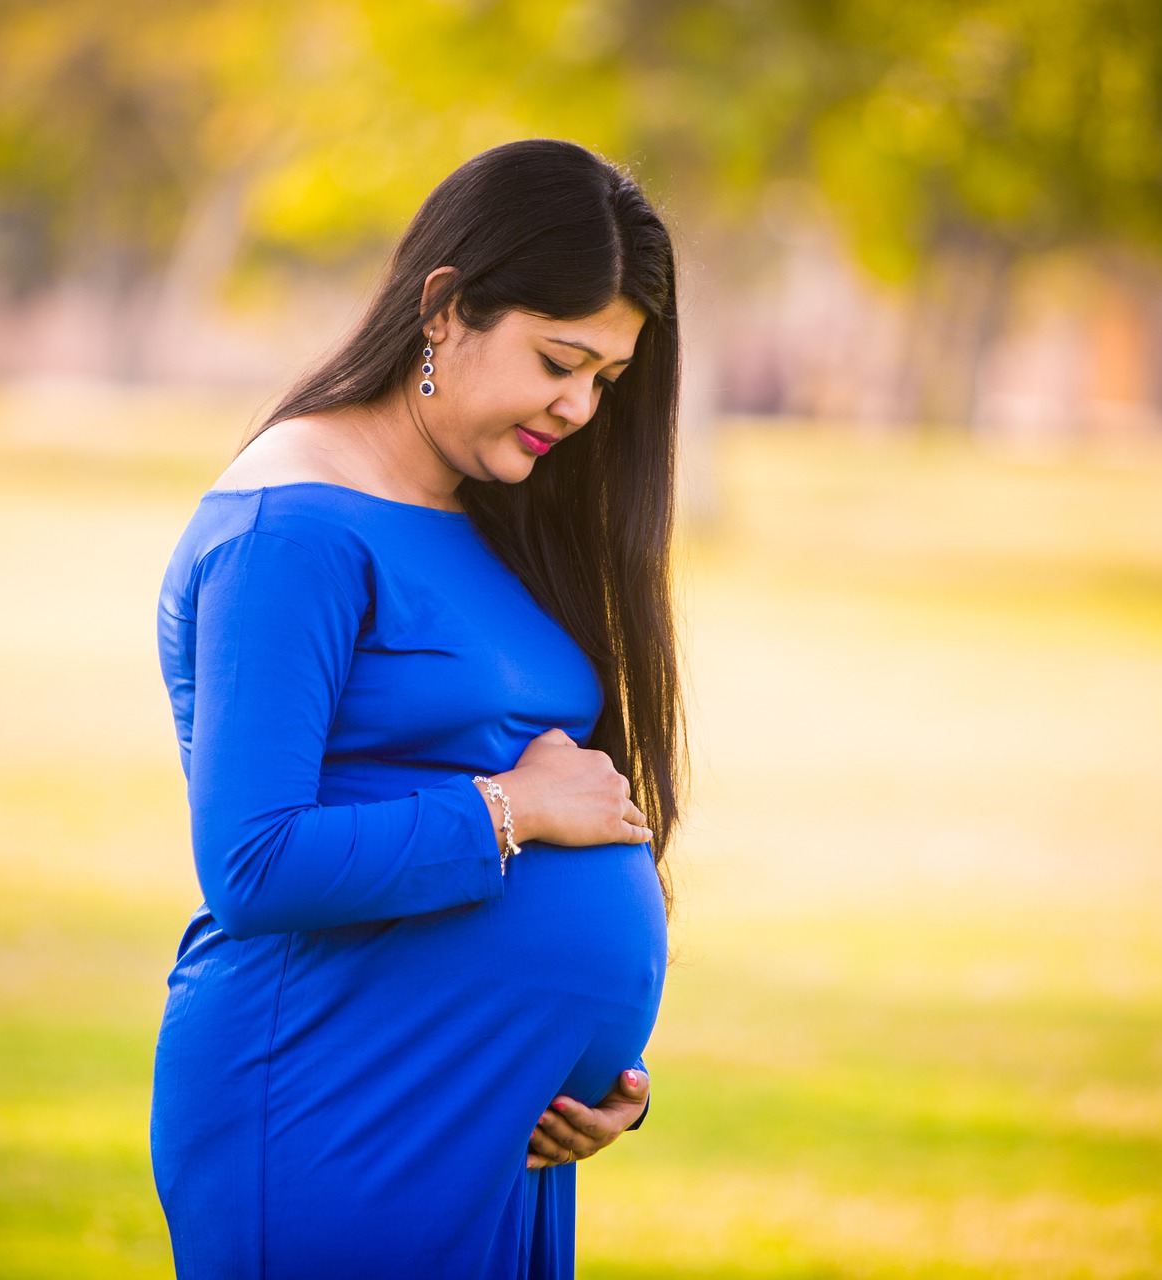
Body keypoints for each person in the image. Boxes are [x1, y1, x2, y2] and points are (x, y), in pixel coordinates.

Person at [149, 137, 687, 1278]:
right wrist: (511, 810)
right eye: (560, 358)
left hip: (490, 1116)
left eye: (607, 377)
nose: (582, 406)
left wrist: (606, 1084)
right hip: (332, 1096)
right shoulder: (290, 527)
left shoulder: (480, 503)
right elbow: (252, 862)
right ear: (446, 307)